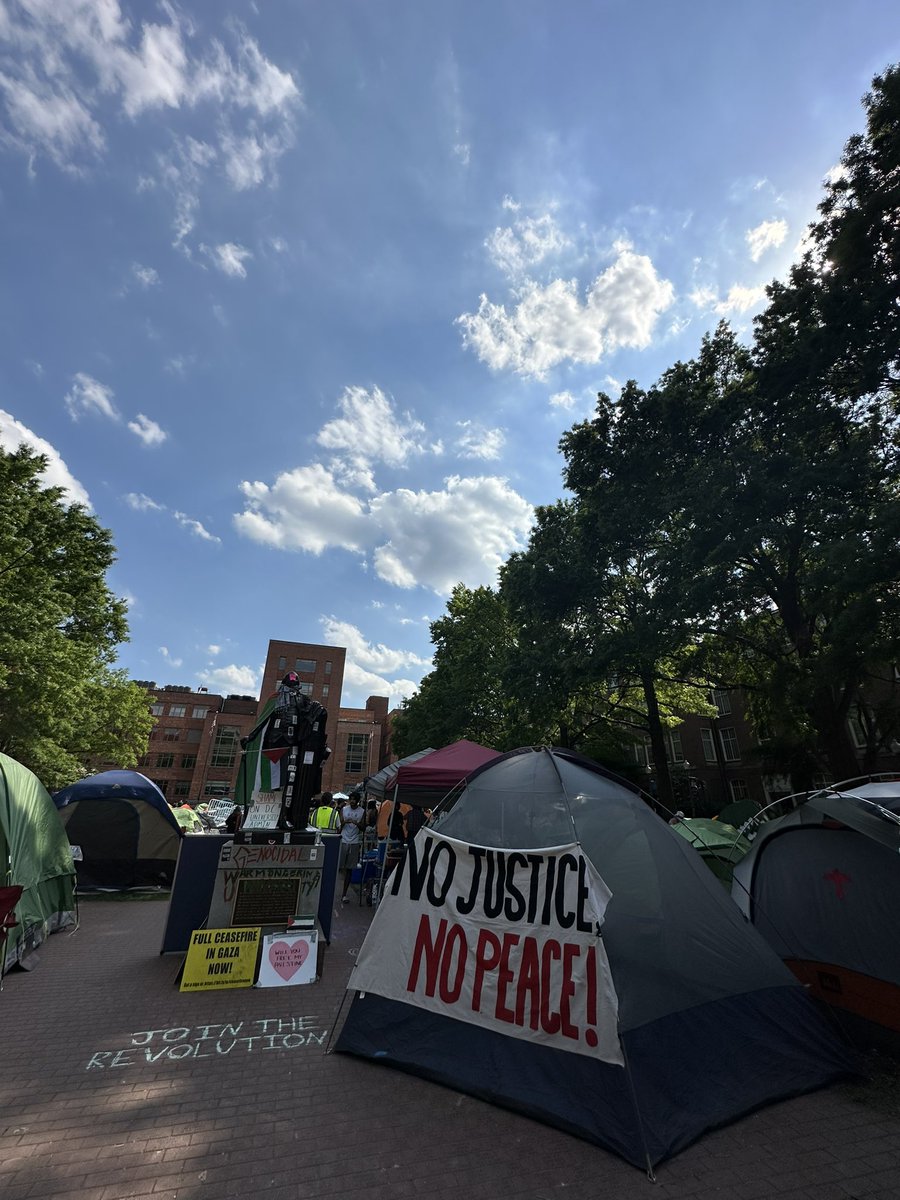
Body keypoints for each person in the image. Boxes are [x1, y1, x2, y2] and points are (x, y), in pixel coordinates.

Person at [338, 792, 366, 902]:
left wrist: (357, 823)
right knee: (339, 866)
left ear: (358, 801)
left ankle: (344, 894)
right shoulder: (344, 810)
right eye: (351, 799)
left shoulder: (362, 811)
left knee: (349, 869)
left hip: (354, 842)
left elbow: (363, 827)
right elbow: (339, 826)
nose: (353, 801)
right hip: (343, 840)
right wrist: (345, 822)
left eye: (355, 799)